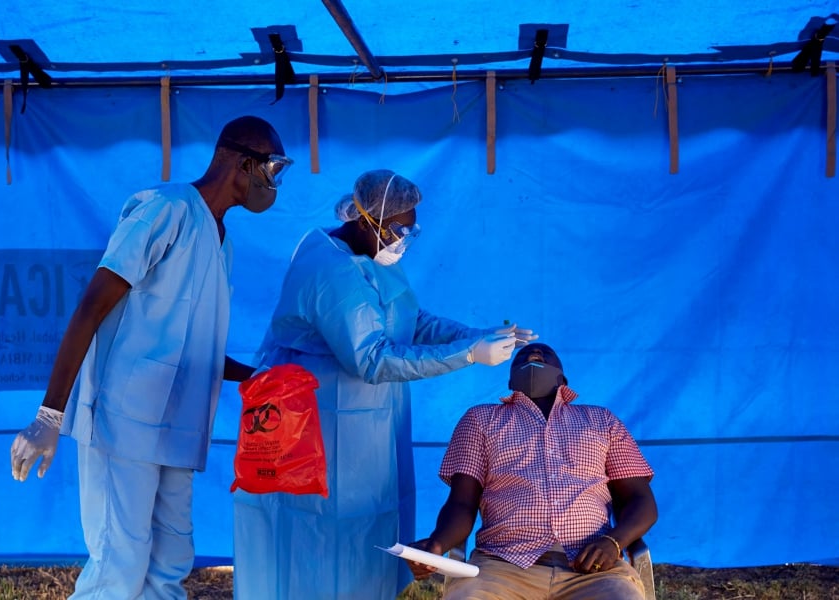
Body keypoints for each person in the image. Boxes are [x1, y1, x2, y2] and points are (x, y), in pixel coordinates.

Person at [8, 115, 292, 600]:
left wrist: (261, 377)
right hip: (125, 422)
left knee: (168, 567)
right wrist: (49, 414)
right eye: (273, 168)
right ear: (245, 163)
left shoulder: (219, 239)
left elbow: (194, 344)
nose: (275, 184)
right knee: (120, 564)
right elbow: (90, 308)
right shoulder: (167, 210)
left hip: (177, 431)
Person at [231, 168, 537, 600]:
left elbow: (412, 320)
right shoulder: (331, 270)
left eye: (410, 229)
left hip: (368, 424)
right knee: (317, 531)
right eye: (397, 229)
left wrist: (477, 334)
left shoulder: (371, 256)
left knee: (371, 524)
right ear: (363, 219)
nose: (403, 239)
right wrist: (468, 355)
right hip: (312, 426)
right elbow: (373, 358)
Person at [406, 342, 657, 600]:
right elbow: (461, 503)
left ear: (563, 378)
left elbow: (641, 500)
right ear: (511, 380)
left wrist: (613, 542)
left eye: (545, 354)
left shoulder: (602, 420)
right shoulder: (480, 420)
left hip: (593, 571)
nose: (534, 353)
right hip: (500, 569)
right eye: (522, 355)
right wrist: (436, 544)